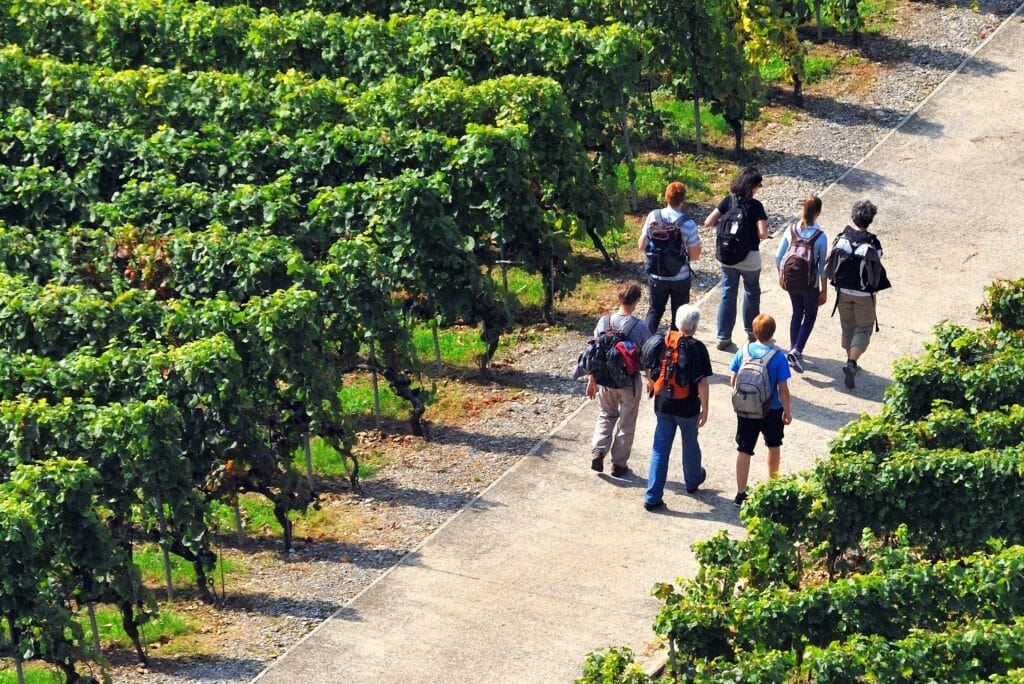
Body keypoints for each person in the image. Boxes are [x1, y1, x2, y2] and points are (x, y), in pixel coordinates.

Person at [642, 304, 712, 512]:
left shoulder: (661, 341)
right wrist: (705, 409)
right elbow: (702, 383)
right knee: (689, 442)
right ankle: (692, 481)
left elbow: (646, 361)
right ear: (695, 326)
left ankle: (652, 495)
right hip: (687, 406)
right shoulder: (696, 348)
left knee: (660, 448)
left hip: (663, 403)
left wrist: (651, 382)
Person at [588, 282, 652, 478]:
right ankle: (619, 464)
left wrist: (592, 380)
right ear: (636, 301)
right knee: (626, 422)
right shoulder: (640, 327)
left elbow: (594, 353)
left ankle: (598, 450)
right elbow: (647, 356)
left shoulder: (603, 322)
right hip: (628, 382)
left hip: (605, 380)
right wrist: (650, 379)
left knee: (606, 414)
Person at [704, 167, 770, 351]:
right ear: (753, 186)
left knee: (728, 293)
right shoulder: (756, 206)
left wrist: (727, 225)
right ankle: (751, 332)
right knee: (751, 291)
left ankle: (723, 337)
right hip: (749, 258)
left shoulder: (728, 200)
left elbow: (708, 222)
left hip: (726, 257)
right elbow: (763, 234)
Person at [729, 314, 791, 507]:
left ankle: (740, 493)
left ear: (754, 332)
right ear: (772, 333)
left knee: (744, 449)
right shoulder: (778, 357)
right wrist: (787, 411)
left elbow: (733, 380)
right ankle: (773, 487)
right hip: (770, 410)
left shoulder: (743, 351)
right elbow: (783, 389)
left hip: (746, 409)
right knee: (773, 446)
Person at [832, 200, 888, 389]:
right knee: (863, 328)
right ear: (871, 219)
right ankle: (852, 363)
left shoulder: (842, 236)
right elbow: (878, 259)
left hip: (842, 291)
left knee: (848, 326)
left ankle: (850, 360)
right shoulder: (872, 241)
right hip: (864, 294)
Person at [638, 181, 702, 334]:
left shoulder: (653, 216)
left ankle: (645, 347)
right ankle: (674, 350)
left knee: (654, 311)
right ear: (683, 200)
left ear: (666, 198)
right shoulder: (688, 224)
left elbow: (641, 245)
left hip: (656, 273)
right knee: (678, 318)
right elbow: (694, 256)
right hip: (679, 277)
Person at [774, 195, 828, 373]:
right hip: (810, 284)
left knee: (797, 312)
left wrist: (783, 274)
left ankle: (792, 349)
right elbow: (821, 267)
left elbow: (778, 256)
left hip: (791, 280)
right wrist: (824, 290)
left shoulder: (791, 230)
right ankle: (797, 351)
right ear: (818, 213)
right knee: (810, 315)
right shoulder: (820, 237)